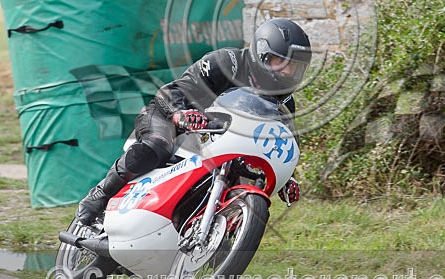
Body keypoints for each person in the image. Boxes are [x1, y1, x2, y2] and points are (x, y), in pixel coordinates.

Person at [76, 18, 311, 225]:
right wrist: (181, 114)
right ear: (263, 55)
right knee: (157, 145)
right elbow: (175, 91)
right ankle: (100, 195)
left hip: (215, 144)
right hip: (169, 115)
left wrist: (286, 176)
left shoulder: (284, 104)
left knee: (235, 184)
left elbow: (278, 143)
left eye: (295, 67)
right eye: (283, 64)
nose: (288, 73)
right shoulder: (227, 62)